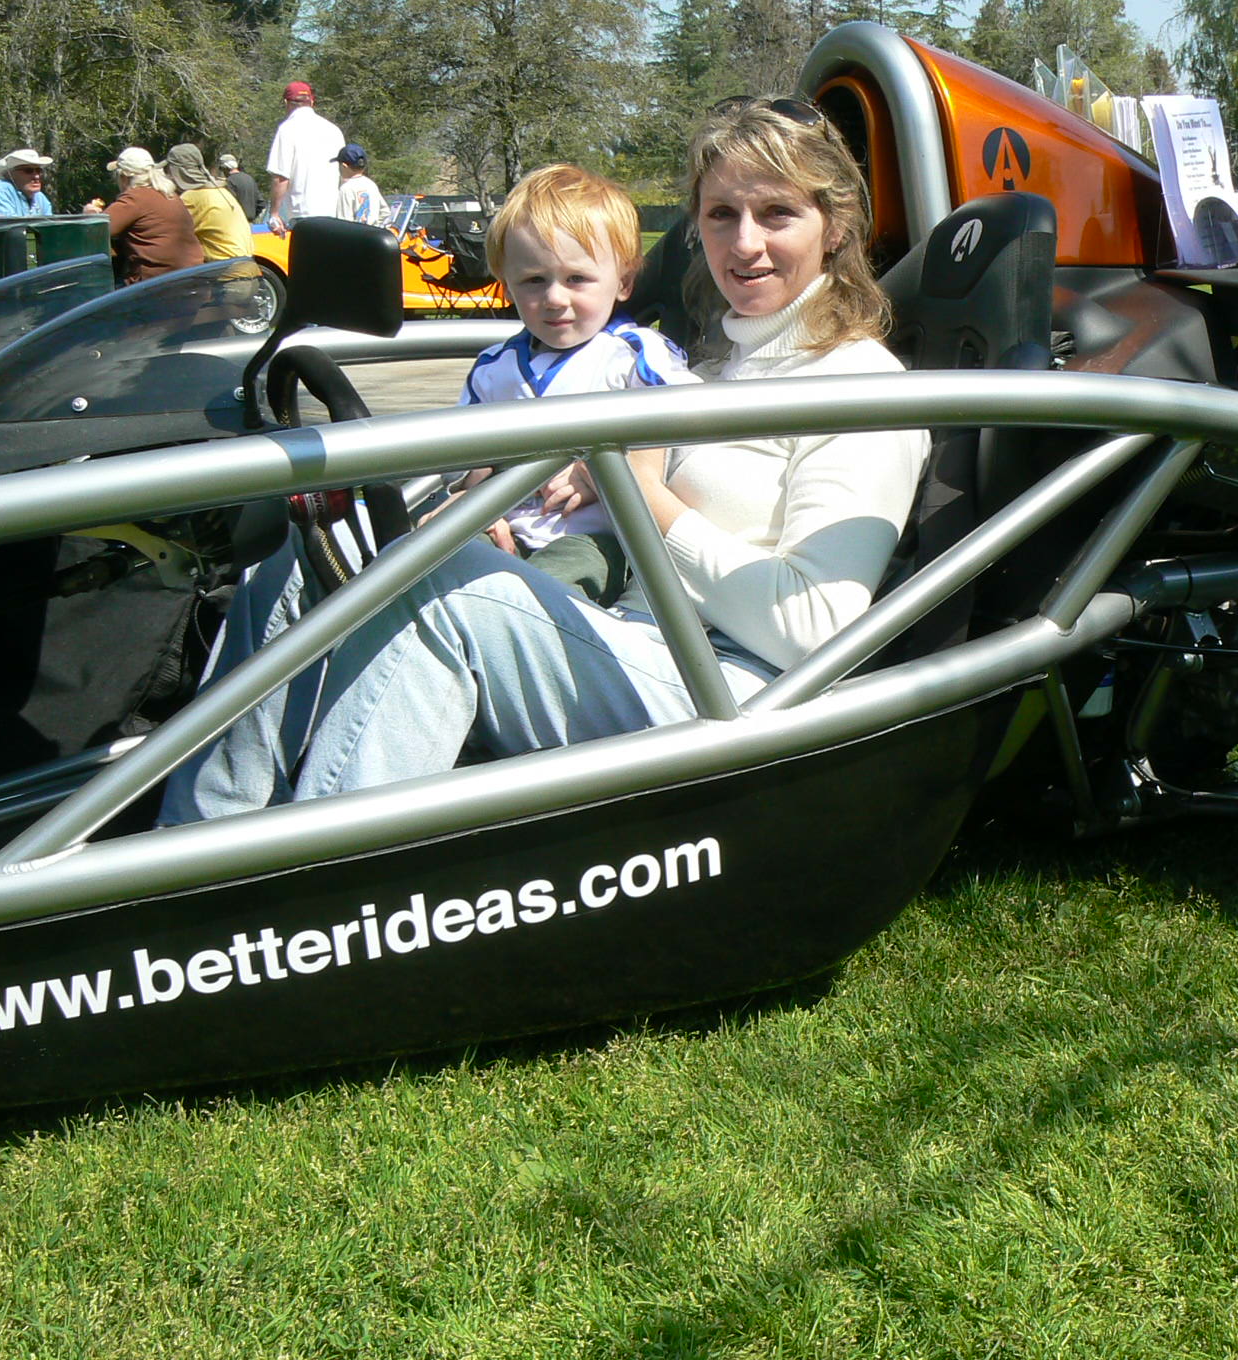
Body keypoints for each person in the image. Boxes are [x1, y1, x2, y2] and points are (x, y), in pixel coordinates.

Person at [159, 95, 931, 822]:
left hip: (725, 685)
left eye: (777, 214)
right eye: (722, 213)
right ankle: (190, 842)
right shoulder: (713, 367)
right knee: (317, 546)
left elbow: (814, 632)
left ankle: (302, 893)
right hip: (623, 630)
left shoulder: (858, 384)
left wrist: (633, 488)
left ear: (833, 227)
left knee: (437, 584)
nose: (745, 242)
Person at [449, 163, 702, 604]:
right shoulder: (493, 368)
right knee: (432, 563)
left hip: (598, 538)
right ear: (506, 285)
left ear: (622, 282)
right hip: (508, 529)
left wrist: (604, 468)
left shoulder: (634, 354)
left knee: (543, 593)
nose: (554, 298)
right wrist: (469, 505)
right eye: (533, 280)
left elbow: (691, 417)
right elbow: (468, 463)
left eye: (577, 279)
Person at [101, 147, 202, 284]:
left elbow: (98, 231)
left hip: (155, 286)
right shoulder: (170, 195)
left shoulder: (135, 198)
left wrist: (89, 215)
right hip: (191, 278)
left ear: (124, 177)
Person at [265, 79, 345, 235]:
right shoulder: (334, 130)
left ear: (286, 102)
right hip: (333, 214)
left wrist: (274, 214)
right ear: (312, 101)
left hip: (301, 215)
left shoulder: (287, 129)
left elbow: (281, 177)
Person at [163, 143, 254, 261]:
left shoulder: (191, 198)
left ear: (178, 173)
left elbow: (167, 235)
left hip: (223, 269)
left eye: (169, 171)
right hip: (246, 263)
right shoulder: (221, 191)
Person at [0, 149, 56, 223]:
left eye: (38, 171)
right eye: (28, 171)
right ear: (10, 175)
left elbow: (48, 227)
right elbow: (7, 230)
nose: (36, 176)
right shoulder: (2, 190)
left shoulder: (40, 198)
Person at [333, 143, 391, 229]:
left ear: (344, 166)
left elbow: (344, 224)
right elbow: (385, 212)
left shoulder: (346, 189)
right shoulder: (371, 184)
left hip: (355, 238)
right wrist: (375, 227)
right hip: (371, 237)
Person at [219, 153, 263, 221]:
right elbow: (261, 203)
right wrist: (252, 216)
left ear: (225, 168)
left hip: (235, 222)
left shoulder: (229, 182)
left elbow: (228, 204)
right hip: (249, 223)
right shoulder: (249, 178)